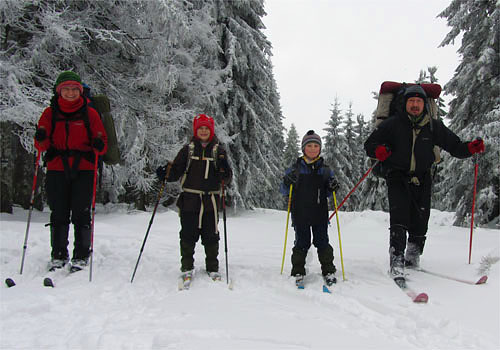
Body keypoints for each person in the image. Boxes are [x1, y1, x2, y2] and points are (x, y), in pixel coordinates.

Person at [364, 85, 485, 278]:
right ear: (405, 104)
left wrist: (470, 148)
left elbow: (455, 147)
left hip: (423, 177)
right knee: (399, 218)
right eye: (411, 101)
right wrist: (379, 150)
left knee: (421, 219)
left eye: (418, 101)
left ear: (424, 105)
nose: (414, 105)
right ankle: (396, 259)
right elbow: (369, 145)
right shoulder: (393, 124)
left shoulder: (433, 126)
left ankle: (413, 256)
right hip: (397, 176)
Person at [34, 71, 108, 272]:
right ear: (59, 91)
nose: (70, 93)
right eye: (66, 89)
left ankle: (81, 254)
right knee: (58, 212)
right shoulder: (50, 113)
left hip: (84, 169)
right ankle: (58, 254)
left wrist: (98, 143)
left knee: (81, 212)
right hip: (57, 167)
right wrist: (40, 136)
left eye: (74, 89)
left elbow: (102, 145)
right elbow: (41, 145)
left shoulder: (90, 114)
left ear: (80, 91)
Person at [156, 114, 232, 281]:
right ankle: (187, 266)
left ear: (211, 131)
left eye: (206, 128)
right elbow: (175, 172)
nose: (203, 131)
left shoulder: (219, 151)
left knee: (211, 235)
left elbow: (227, 178)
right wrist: (166, 173)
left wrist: (225, 171)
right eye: (200, 128)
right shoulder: (187, 150)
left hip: (210, 201)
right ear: (196, 130)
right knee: (188, 235)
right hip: (190, 200)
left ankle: (212, 267)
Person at [280, 130, 340, 286]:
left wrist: (333, 186)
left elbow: (328, 192)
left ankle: (328, 270)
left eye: (316, 146)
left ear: (320, 148)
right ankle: (298, 271)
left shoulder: (325, 170)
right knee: (302, 243)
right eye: (309, 146)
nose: (313, 149)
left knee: (322, 242)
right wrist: (287, 182)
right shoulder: (295, 169)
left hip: (319, 214)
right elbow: (284, 190)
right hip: (300, 214)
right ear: (303, 148)